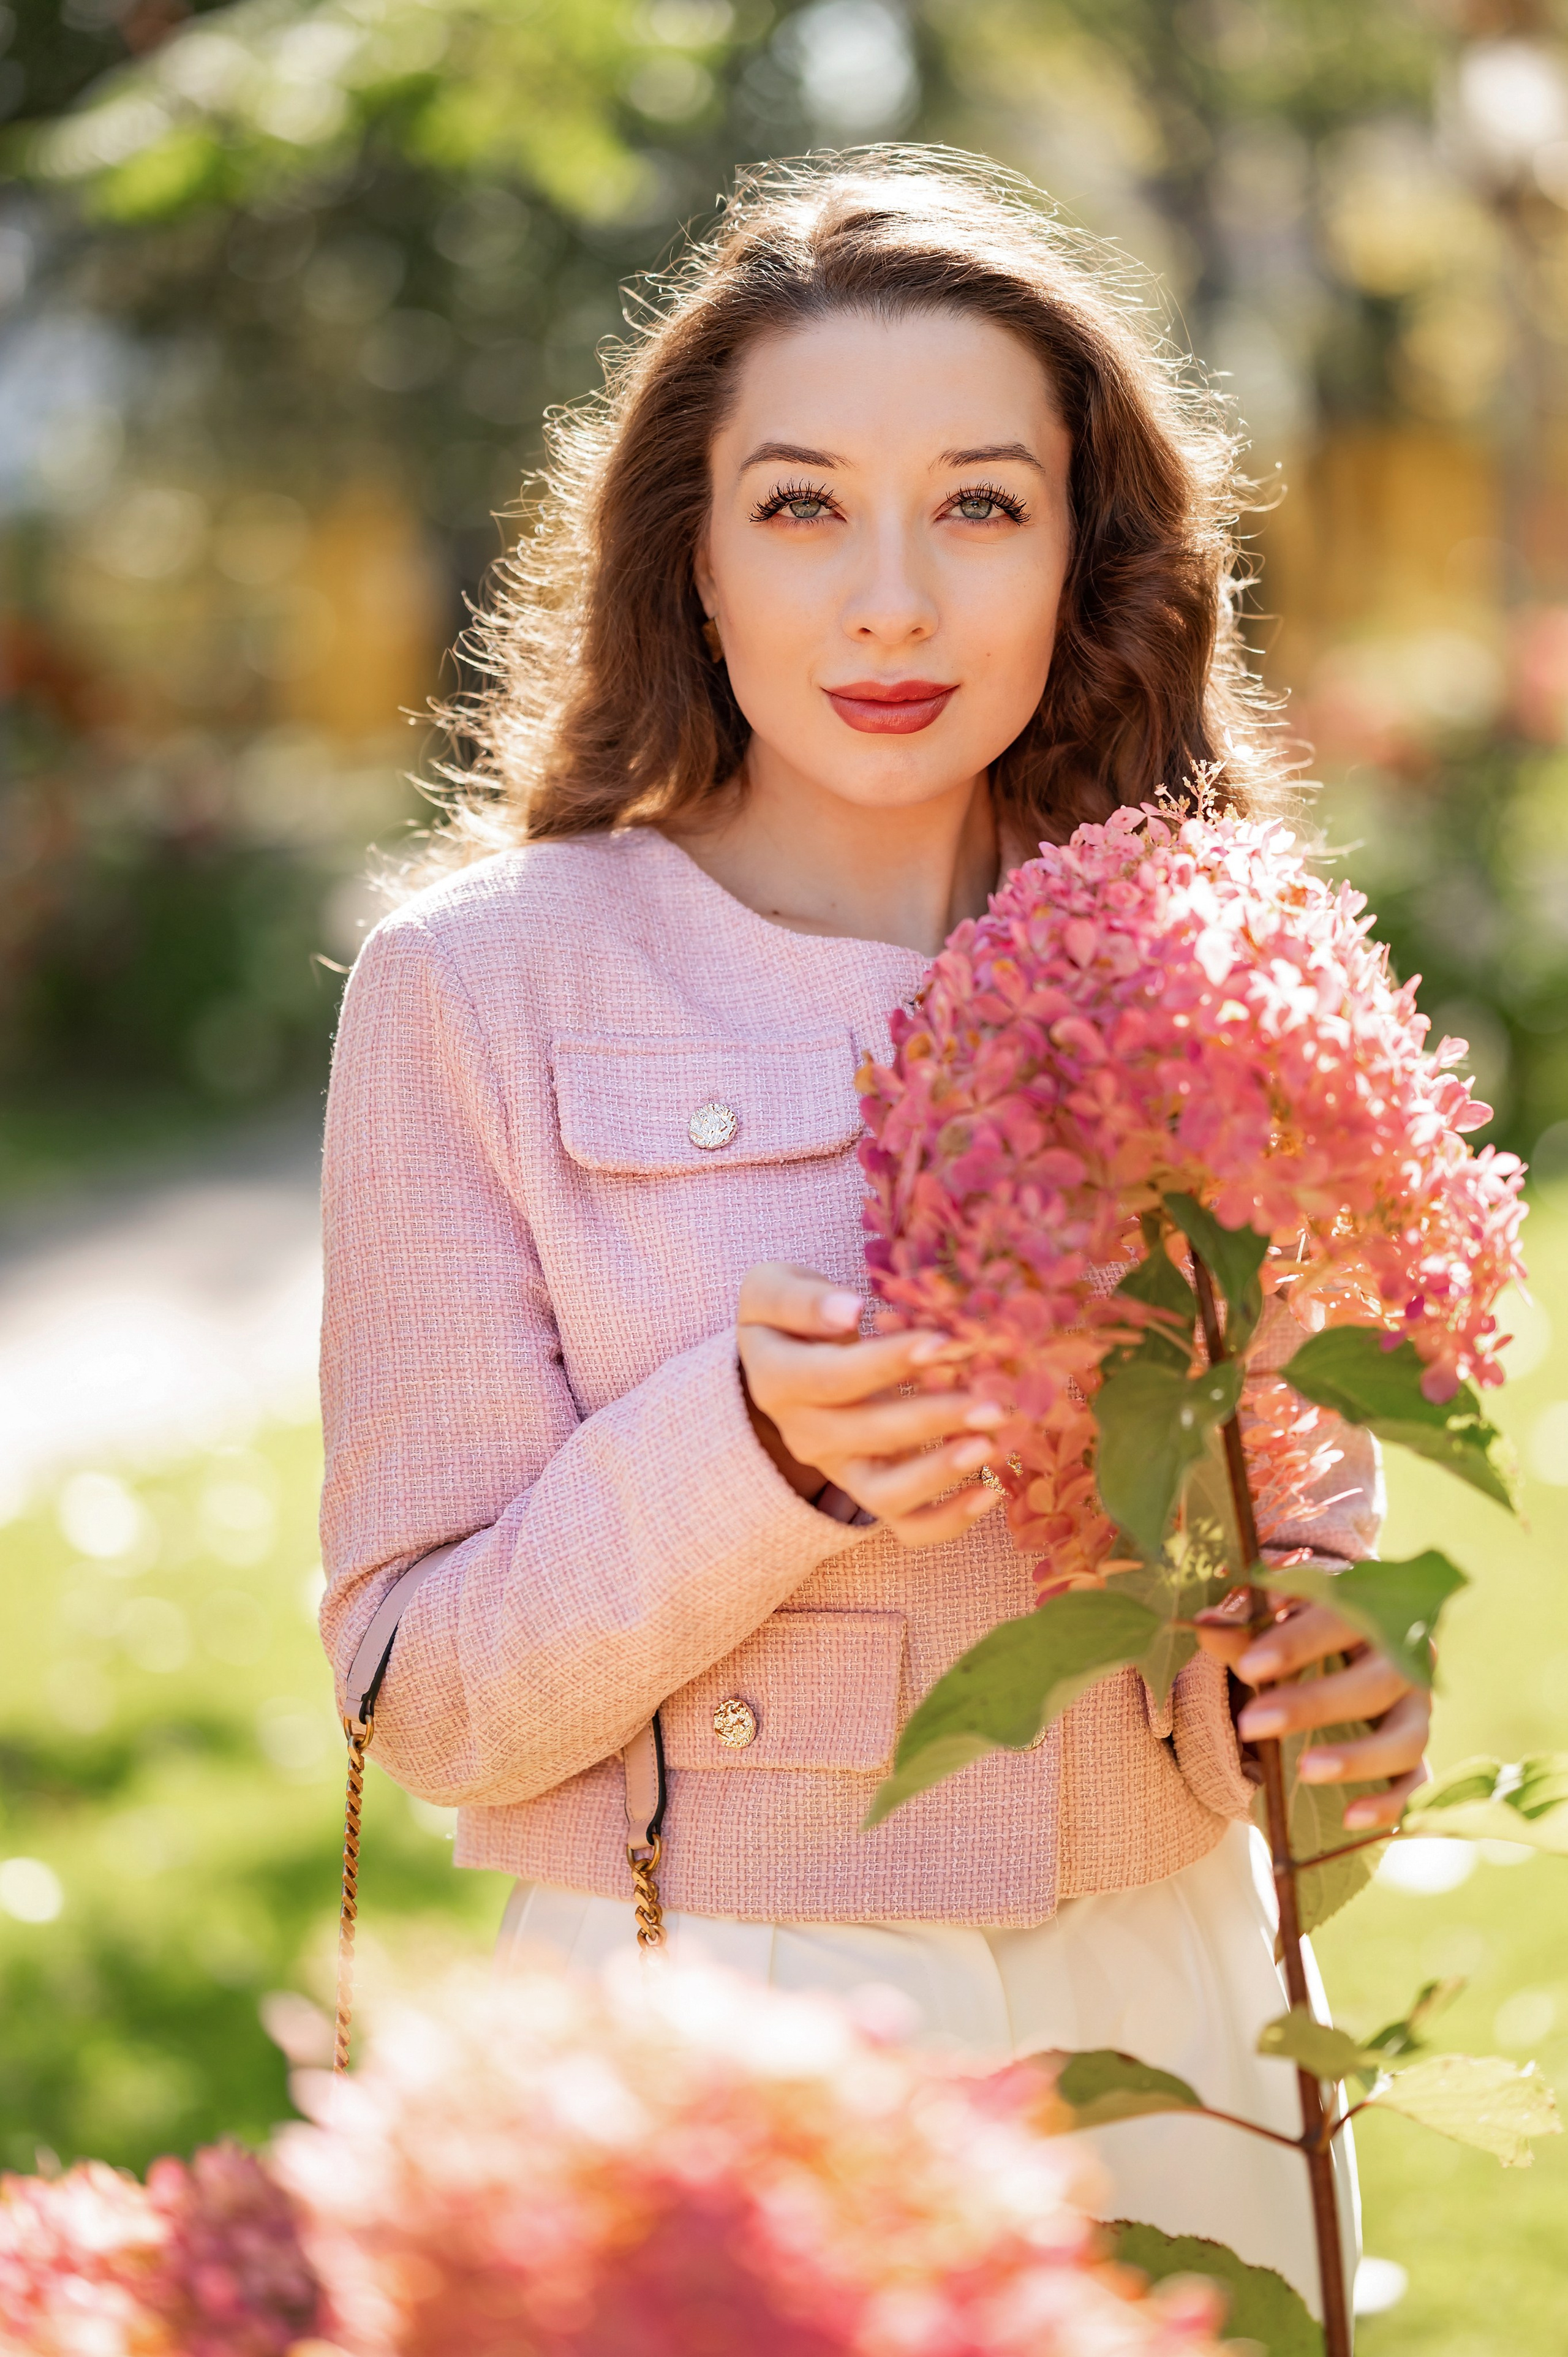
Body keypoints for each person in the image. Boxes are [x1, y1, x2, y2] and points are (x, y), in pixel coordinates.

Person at [319, 153, 1428, 2314]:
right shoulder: (479, 988)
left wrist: (1338, 1714)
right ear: (697, 564)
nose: (893, 604)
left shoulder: (1212, 960)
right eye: (805, 506)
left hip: (1180, 2016)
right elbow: (418, 1693)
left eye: (983, 505)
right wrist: (759, 1457)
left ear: (1088, 562)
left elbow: (1271, 1629)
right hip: (722, 2021)